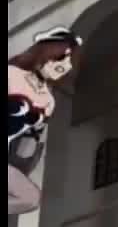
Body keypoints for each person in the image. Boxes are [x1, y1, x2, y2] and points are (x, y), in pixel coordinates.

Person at [8, 26, 82, 215]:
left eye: (70, 62)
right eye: (63, 57)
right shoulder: (12, 73)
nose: (66, 65)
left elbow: (28, 141)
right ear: (46, 52)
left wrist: (27, 157)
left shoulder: (48, 101)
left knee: (30, 198)